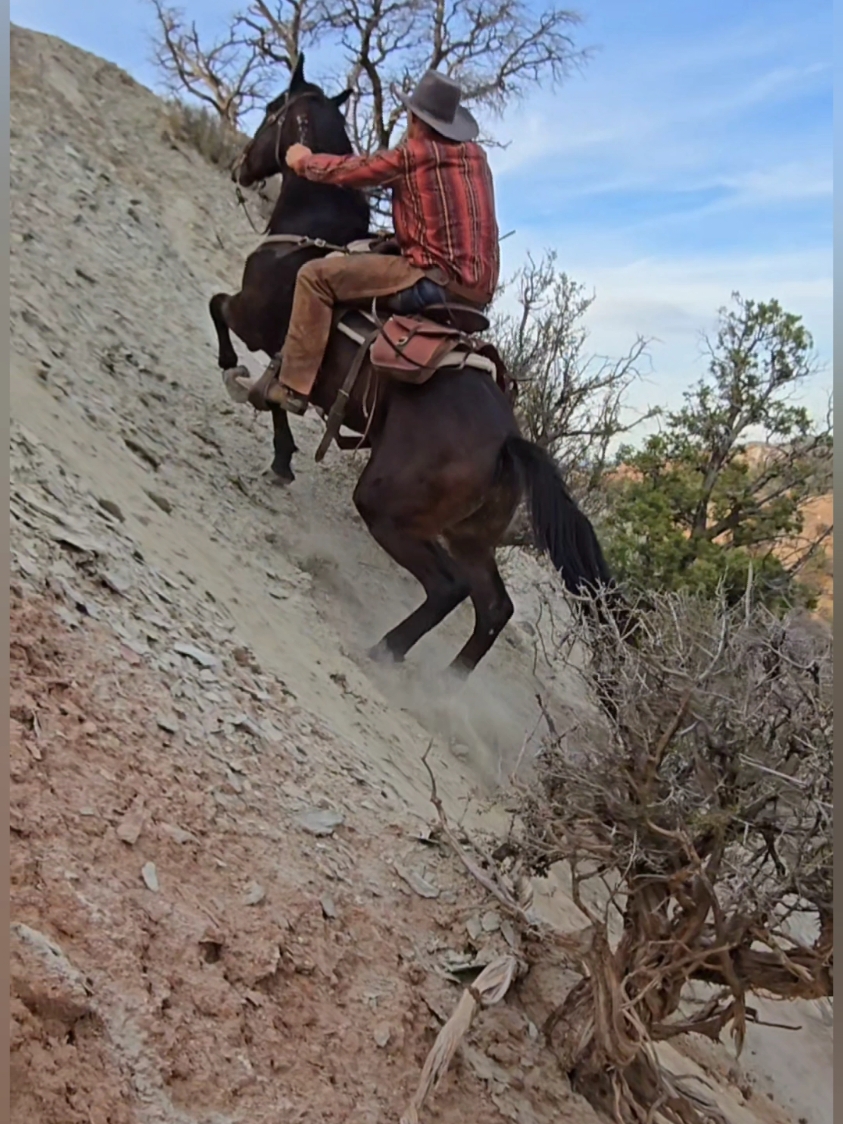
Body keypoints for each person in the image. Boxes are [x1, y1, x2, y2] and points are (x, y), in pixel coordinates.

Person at [251, 69, 500, 415]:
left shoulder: (413, 154)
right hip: (478, 294)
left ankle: (292, 387)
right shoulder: (477, 160)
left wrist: (303, 161)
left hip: (431, 281)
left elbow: (353, 170)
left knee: (315, 276)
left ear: (416, 118)